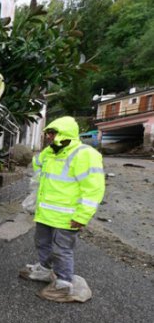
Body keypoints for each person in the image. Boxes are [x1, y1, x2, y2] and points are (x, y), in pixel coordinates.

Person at [21, 116, 105, 297]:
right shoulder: (51, 152)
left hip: (68, 216)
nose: (49, 137)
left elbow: (93, 190)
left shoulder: (85, 154)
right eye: (48, 133)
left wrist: (82, 216)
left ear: (64, 133)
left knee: (62, 250)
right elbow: (36, 163)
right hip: (45, 213)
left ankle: (64, 283)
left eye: (52, 133)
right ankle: (45, 269)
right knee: (42, 242)